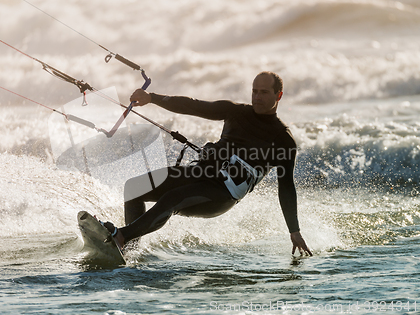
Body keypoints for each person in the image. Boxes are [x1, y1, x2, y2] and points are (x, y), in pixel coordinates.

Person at [104, 71, 312, 257]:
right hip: (200, 173)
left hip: (221, 194)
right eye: (254, 91)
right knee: (134, 188)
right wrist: (152, 98)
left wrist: (294, 231)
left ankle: (121, 236)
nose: (257, 97)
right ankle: (126, 250)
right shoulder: (235, 112)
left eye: (264, 92)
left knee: (172, 198)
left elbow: (286, 187)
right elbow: (193, 105)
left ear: (279, 95)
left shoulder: (283, 139)